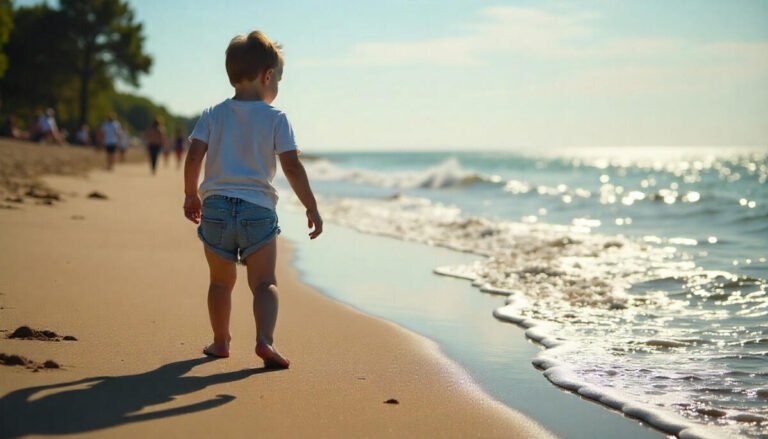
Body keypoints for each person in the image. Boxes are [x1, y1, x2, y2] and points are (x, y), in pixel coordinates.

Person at [183, 31, 322, 369]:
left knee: (219, 282)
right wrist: (311, 206)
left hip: (215, 209)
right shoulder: (276, 118)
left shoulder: (213, 114)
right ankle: (265, 341)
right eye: (280, 80)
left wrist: (190, 194)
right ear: (268, 76)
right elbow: (291, 165)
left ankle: (220, 342)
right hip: (258, 212)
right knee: (264, 283)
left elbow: (194, 155)